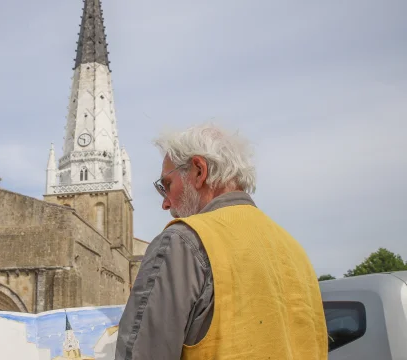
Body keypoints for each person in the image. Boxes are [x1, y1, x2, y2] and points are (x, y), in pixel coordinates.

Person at [115, 123, 327, 360]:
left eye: (167, 186)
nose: (165, 203)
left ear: (198, 171)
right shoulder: (293, 249)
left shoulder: (183, 242)